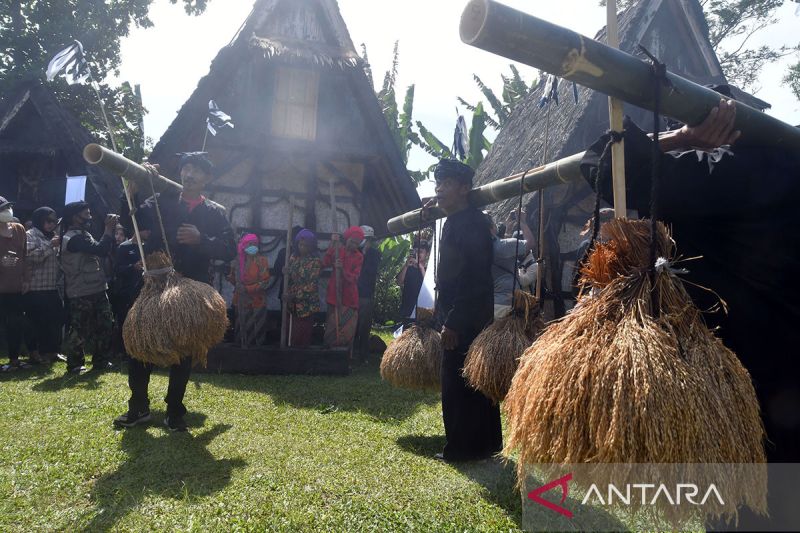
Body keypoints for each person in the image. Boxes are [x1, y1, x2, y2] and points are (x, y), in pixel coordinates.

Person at [582, 99, 800, 529]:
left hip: (738, 377)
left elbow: (602, 160)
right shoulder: (788, 167)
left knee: (744, 504)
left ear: (717, 127)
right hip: (789, 367)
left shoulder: (714, 175)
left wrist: (684, 139)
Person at [114, 152, 236, 432]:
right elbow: (132, 220)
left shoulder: (214, 212)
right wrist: (129, 194)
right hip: (156, 284)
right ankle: (139, 407)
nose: (189, 174)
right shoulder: (162, 201)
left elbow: (229, 248)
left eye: (196, 170)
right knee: (139, 344)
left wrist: (201, 239)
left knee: (184, 348)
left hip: (191, 289)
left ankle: (174, 410)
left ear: (207, 178)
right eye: (186, 168)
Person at [429, 159, 501, 462]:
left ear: (465, 188)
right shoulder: (459, 221)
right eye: (438, 183)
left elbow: (474, 278)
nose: (440, 188)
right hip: (465, 312)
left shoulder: (470, 224)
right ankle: (486, 446)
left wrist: (454, 321)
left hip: (466, 315)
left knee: (459, 382)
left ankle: (462, 449)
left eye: (447, 183)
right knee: (474, 379)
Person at [59, 201, 117, 374]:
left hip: (97, 287)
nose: (89, 217)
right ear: (74, 217)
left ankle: (101, 361)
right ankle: (75, 364)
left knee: (105, 324)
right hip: (80, 290)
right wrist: (108, 229)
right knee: (80, 328)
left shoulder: (84, 234)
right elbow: (100, 250)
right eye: (85, 214)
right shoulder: (73, 238)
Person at [22, 206, 64, 364]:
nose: (51, 224)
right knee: (36, 322)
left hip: (53, 287)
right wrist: (50, 246)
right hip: (35, 287)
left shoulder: (54, 236)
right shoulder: (30, 235)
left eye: (54, 221)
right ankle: (35, 352)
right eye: (48, 221)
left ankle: (53, 351)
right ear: (39, 220)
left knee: (55, 320)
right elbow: (31, 257)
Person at [0, 196, 32, 372]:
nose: (7, 211)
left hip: (16, 288)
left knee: (15, 324)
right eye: (3, 208)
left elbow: (25, 256)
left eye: (8, 207)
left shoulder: (19, 229)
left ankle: (14, 360)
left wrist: (26, 279)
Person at [111, 227, 153, 361]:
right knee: (124, 322)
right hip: (125, 292)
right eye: (146, 229)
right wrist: (132, 267)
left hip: (144, 292)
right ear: (137, 229)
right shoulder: (124, 247)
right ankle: (120, 352)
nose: (148, 232)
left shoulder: (147, 248)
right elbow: (117, 269)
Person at [322, 225, 364, 348]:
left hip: (349, 298)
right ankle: (328, 351)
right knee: (331, 324)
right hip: (334, 294)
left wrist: (342, 270)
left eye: (357, 243)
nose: (354, 245)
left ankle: (345, 354)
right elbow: (325, 263)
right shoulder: (338, 250)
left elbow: (354, 277)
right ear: (347, 239)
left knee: (347, 328)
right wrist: (332, 244)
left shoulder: (359, 257)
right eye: (352, 241)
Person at [489, 210, 536, 319]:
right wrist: (523, 222)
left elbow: (505, 250)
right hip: (505, 305)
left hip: (493, 303)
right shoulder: (502, 247)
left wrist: (508, 228)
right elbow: (530, 243)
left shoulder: (482, 249)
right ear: (491, 227)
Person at [229, 233, 270, 347]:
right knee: (241, 329)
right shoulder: (238, 261)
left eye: (255, 244)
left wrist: (246, 288)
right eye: (250, 244)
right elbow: (233, 280)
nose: (253, 246)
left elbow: (265, 283)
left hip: (257, 301)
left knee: (257, 330)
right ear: (244, 246)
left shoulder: (262, 261)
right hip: (241, 300)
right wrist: (232, 275)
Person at [285, 229, 321, 347]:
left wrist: (295, 295)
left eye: (306, 245)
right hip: (293, 303)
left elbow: (312, 285)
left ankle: (302, 356)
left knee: (303, 332)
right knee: (292, 332)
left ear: (311, 247)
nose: (302, 247)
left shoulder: (315, 262)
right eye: (300, 244)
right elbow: (289, 278)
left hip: (307, 304)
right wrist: (285, 272)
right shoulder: (293, 258)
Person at [354, 225, 381, 361]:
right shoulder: (354, 252)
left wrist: (364, 253)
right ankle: (350, 353)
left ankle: (363, 355)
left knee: (364, 327)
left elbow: (369, 272)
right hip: (353, 294)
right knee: (352, 326)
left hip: (366, 295)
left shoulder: (374, 254)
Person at [396, 240, 429, 320]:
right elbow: (399, 282)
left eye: (421, 252)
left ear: (427, 254)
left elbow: (429, 286)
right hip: (407, 309)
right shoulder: (408, 268)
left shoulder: (429, 270)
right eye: (416, 251)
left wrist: (421, 267)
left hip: (424, 309)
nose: (418, 254)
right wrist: (406, 265)